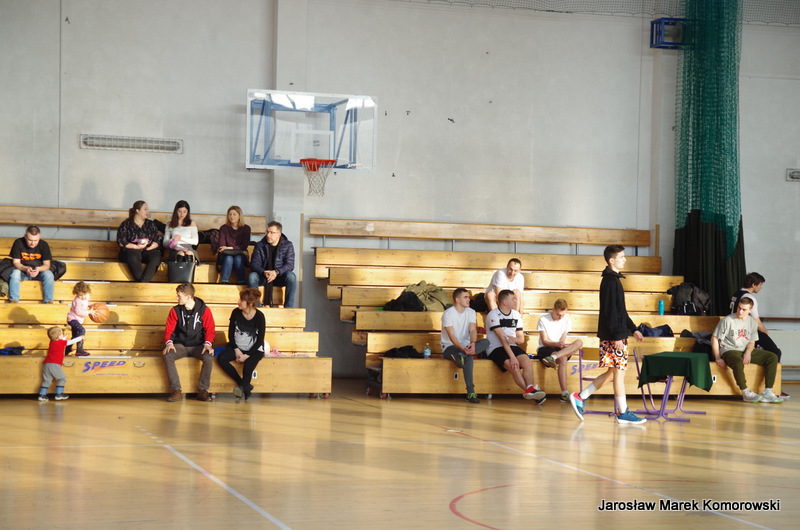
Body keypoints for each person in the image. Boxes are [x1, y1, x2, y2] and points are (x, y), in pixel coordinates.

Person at [569, 245, 646, 424]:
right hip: (614, 336)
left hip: (614, 334)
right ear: (612, 260)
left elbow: (621, 311)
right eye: (621, 257)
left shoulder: (614, 280)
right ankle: (623, 412)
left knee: (612, 373)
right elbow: (611, 312)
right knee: (619, 373)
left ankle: (580, 397)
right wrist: (618, 336)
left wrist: (633, 328)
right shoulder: (611, 282)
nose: (625, 259)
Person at [712, 296, 783, 403]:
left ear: (750, 310)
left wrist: (748, 352)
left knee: (772, 357)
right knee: (737, 362)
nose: (740, 311)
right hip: (729, 350)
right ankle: (745, 392)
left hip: (745, 349)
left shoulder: (752, 323)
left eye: (744, 309)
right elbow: (714, 338)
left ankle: (768, 391)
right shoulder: (727, 320)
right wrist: (718, 357)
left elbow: (751, 341)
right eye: (739, 308)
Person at [485, 289, 545, 403]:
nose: (516, 301)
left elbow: (521, 339)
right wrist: (512, 357)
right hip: (495, 348)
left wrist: (515, 340)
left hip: (512, 346)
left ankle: (531, 390)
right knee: (514, 366)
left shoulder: (516, 315)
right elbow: (502, 339)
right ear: (505, 302)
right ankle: (532, 393)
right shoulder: (493, 315)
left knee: (527, 361)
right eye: (513, 299)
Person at [162, 282, 216, 402]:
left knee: (208, 357)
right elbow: (169, 330)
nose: (177, 298)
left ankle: (202, 390)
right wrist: (169, 343)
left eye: (179, 296)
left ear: (188, 297)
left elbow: (210, 329)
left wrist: (208, 344)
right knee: (168, 355)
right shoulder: (175, 310)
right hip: (180, 345)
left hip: (198, 346)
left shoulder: (204, 310)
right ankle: (176, 391)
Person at [441, 288, 490, 403]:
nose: (469, 299)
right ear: (457, 300)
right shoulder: (448, 313)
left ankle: (461, 356)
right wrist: (462, 348)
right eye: (466, 297)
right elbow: (451, 335)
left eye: (468, 297)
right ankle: (471, 392)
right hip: (450, 347)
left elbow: (473, 330)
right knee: (468, 356)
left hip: (466, 347)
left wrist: (472, 343)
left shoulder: (471, 312)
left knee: (486, 342)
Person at [217, 287, 265, 400]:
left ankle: (243, 388)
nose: (238, 302)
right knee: (222, 358)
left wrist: (246, 356)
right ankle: (245, 386)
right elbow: (230, 334)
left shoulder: (260, 316)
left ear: (250, 303)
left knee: (248, 367)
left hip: (254, 349)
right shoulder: (236, 312)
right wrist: (237, 350)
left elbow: (260, 340)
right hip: (237, 347)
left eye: (242, 300)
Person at [537, 299, 583, 403]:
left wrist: (564, 346)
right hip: (546, 348)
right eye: (558, 314)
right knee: (563, 358)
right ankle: (564, 393)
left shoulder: (567, 320)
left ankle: (553, 357)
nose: (560, 317)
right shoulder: (543, 319)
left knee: (579, 342)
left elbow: (562, 340)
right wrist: (559, 345)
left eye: (563, 314)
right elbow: (545, 341)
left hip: (558, 349)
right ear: (553, 309)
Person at [248, 221, 297, 307]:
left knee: (291, 276)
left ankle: (289, 307)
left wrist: (276, 272)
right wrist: (264, 272)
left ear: (279, 235)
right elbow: (254, 264)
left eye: (272, 232)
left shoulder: (288, 245)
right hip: (264, 276)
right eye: (267, 232)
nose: (268, 235)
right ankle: (257, 307)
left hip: (279, 276)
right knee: (252, 276)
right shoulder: (260, 245)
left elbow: (290, 265)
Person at [117, 200, 162, 282]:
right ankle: (141, 282)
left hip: (147, 250)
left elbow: (157, 239)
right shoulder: (126, 224)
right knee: (133, 254)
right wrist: (135, 246)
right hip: (131, 251)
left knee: (156, 255)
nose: (147, 211)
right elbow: (121, 241)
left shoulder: (150, 224)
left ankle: (143, 282)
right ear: (137, 211)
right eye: (145, 209)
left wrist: (153, 245)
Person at [7, 225, 55, 303]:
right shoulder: (18, 243)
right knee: (15, 273)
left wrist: (39, 269)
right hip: (22, 272)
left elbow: (47, 265)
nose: (33, 243)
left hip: (39, 273)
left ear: (39, 237)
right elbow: (16, 262)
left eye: (36, 240)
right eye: (30, 240)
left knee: (49, 274)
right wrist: (25, 268)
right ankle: (14, 300)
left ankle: (49, 301)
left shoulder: (44, 245)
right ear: (25, 236)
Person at [39, 326, 84, 402]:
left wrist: (63, 337)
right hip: (54, 365)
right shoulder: (61, 343)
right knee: (62, 379)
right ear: (58, 336)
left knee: (47, 380)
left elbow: (59, 341)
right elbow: (71, 342)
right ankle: (59, 394)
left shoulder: (52, 342)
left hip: (47, 365)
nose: (62, 335)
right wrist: (80, 338)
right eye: (61, 334)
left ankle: (42, 395)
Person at [217, 205, 251, 284]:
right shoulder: (223, 228)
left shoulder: (246, 228)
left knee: (238, 258)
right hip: (226, 255)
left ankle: (241, 282)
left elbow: (244, 246)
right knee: (229, 258)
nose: (231, 216)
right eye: (230, 214)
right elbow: (222, 246)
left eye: (234, 214)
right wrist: (236, 249)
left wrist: (229, 248)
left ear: (239, 216)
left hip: (240, 255)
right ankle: (224, 281)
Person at [65, 281, 95, 357]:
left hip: (78, 320)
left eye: (84, 295)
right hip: (72, 319)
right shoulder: (77, 301)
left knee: (75, 335)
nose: (83, 297)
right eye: (80, 296)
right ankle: (79, 350)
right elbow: (78, 312)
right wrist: (89, 312)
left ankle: (68, 348)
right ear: (76, 294)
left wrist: (92, 305)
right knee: (82, 330)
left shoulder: (86, 296)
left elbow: (86, 303)